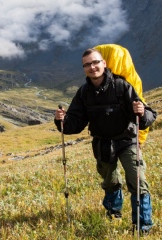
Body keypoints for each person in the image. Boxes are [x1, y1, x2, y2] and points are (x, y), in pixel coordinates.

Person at [54, 48, 157, 233]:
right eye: (87, 64)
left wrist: (142, 113)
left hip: (127, 141)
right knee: (110, 181)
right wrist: (62, 120)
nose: (92, 67)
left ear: (104, 63)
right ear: (84, 68)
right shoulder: (84, 93)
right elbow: (75, 124)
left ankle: (142, 225)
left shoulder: (122, 86)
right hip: (102, 144)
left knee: (138, 180)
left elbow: (148, 114)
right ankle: (113, 214)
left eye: (95, 62)